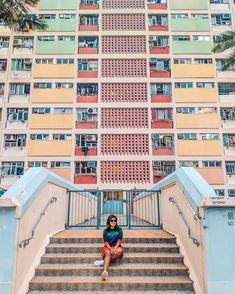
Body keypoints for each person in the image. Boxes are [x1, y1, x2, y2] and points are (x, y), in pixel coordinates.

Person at [94, 215, 124, 281]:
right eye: (112, 220)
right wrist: (110, 248)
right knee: (108, 253)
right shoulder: (105, 231)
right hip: (108, 247)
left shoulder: (119, 229)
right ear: (109, 221)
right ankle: (105, 272)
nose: (113, 222)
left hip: (117, 246)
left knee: (119, 251)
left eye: (115, 221)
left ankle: (103, 262)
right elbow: (105, 242)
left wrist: (115, 247)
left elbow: (119, 240)